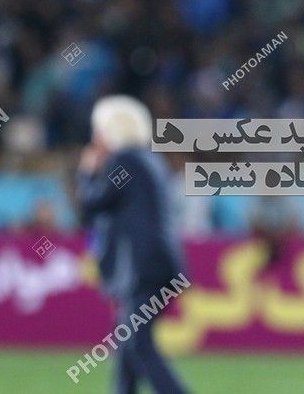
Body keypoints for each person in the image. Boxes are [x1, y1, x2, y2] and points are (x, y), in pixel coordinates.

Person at [77, 95, 190, 394]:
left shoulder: (126, 160)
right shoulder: (148, 160)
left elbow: (93, 203)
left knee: (137, 344)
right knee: (128, 345)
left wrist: (87, 172)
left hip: (145, 268)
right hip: (158, 264)